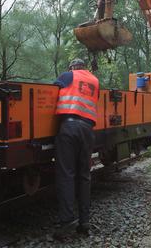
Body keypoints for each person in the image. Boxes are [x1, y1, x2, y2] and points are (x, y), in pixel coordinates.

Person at [53, 58, 99, 239]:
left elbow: (52, 89)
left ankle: (67, 221)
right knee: (84, 176)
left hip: (69, 128)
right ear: (85, 68)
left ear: (71, 67)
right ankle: (84, 222)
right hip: (87, 130)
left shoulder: (67, 76)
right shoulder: (95, 81)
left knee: (67, 175)